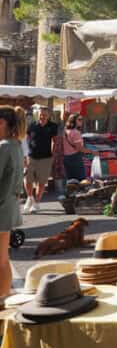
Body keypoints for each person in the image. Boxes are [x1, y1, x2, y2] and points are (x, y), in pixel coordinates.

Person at [0, 106, 27, 299]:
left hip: (2, 206)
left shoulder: (4, 146)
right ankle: (4, 296)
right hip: (9, 205)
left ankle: (2, 298)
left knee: (1, 260)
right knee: (3, 259)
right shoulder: (16, 144)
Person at [23, 107, 58, 213]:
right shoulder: (32, 125)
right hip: (31, 156)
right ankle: (30, 198)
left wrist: (53, 153)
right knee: (27, 179)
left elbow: (55, 141)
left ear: (49, 116)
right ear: (38, 115)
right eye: (41, 114)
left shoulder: (53, 126)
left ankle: (37, 203)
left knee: (41, 182)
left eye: (45, 115)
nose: (42, 116)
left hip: (46, 157)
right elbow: (26, 138)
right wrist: (25, 153)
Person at [62, 113, 87, 182]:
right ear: (73, 121)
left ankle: (71, 192)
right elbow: (79, 148)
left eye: (82, 119)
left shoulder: (65, 131)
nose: (81, 121)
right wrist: (92, 152)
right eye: (79, 120)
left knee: (70, 180)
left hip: (66, 157)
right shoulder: (76, 133)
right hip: (75, 157)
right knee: (82, 180)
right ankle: (80, 192)